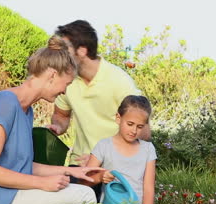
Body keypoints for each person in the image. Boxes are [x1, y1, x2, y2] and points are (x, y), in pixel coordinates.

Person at [0, 36, 102, 204]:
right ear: (52, 75)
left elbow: (24, 165)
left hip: (12, 198)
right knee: (86, 196)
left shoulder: (26, 111)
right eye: (67, 83)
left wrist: (73, 172)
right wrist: (42, 184)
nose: (64, 91)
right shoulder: (5, 104)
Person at [48, 20, 150, 168]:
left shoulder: (119, 81)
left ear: (82, 51)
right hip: (79, 165)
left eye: (65, 48)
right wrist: (57, 126)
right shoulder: (67, 80)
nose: (59, 54)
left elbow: (144, 134)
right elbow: (61, 115)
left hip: (116, 167)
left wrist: (103, 156)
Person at [82, 95, 166, 204]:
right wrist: (100, 177)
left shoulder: (148, 149)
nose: (134, 131)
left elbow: (148, 188)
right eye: (130, 124)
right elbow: (84, 181)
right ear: (118, 118)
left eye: (140, 126)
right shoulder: (103, 146)